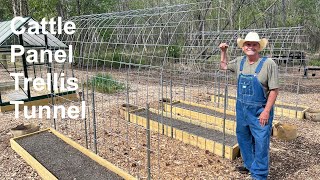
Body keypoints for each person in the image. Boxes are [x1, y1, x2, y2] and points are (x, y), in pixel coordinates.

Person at [219, 32, 279, 180]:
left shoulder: (268, 64)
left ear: (259, 47)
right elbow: (224, 66)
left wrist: (266, 111)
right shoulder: (240, 62)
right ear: (243, 47)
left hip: (260, 110)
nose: (250, 47)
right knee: (244, 138)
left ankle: (259, 174)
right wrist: (223, 51)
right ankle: (249, 164)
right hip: (242, 109)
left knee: (260, 142)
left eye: (254, 44)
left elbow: (274, 91)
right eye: (247, 44)